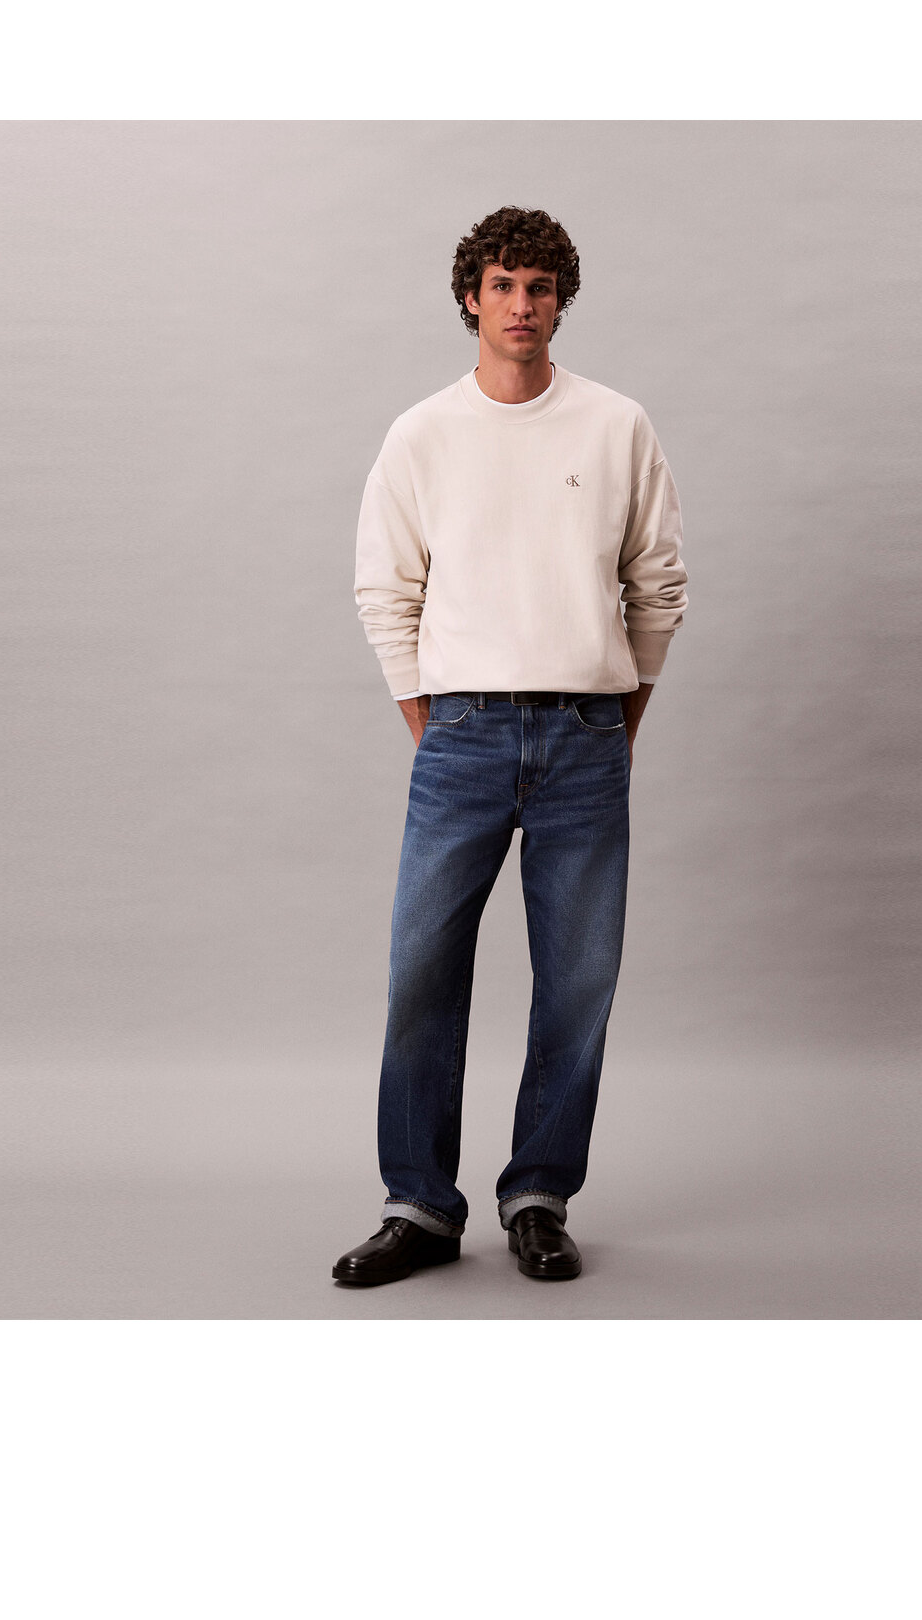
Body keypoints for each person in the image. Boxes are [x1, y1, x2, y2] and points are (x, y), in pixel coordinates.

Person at [333, 206, 687, 1286]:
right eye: (502, 285)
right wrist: (432, 719)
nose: (521, 305)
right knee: (422, 971)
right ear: (471, 299)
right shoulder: (423, 434)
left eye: (539, 286)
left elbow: (657, 581)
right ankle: (418, 1207)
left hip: (585, 734)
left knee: (578, 980)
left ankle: (538, 1195)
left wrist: (616, 718)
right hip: (463, 733)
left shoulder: (615, 424)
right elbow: (386, 589)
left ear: (561, 301)